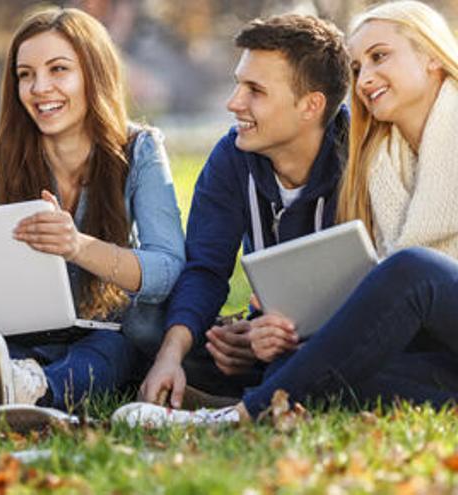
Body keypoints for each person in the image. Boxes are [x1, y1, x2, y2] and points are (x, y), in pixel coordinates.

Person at [116, 0, 458, 426]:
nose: (366, 78)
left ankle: (239, 415)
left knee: (412, 269)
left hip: (432, 310)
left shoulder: (356, 154)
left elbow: (394, 286)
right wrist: (268, 332)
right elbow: (207, 268)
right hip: (430, 348)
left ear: (432, 57)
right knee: (288, 371)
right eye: (357, 68)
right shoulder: (382, 157)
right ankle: (259, 393)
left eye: (379, 57)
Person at [0, 7, 185, 417]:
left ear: (93, 74)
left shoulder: (139, 152)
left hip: (109, 339)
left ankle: (35, 396)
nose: (39, 87)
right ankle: (12, 386)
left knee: (112, 347)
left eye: (58, 69)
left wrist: (78, 246)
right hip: (22, 336)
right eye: (25, 74)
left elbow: (167, 268)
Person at [136, 14, 351, 409]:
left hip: (352, 333)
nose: (234, 103)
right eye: (239, 85)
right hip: (268, 333)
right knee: (146, 330)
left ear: (310, 105)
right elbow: (206, 267)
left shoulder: (361, 157)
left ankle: (257, 394)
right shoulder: (233, 155)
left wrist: (274, 337)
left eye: (256, 90)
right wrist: (173, 354)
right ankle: (248, 381)